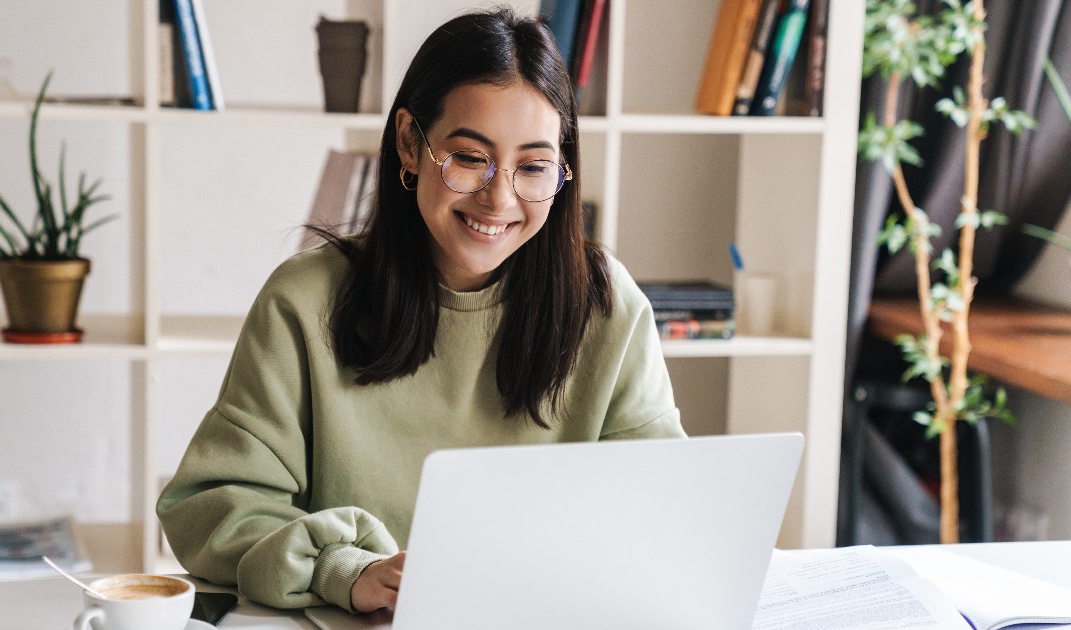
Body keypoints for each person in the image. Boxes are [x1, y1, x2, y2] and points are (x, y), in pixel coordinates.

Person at [156, 7, 685, 615]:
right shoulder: (304, 302)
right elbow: (212, 504)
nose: (500, 197)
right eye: (469, 156)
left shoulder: (607, 308)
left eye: (533, 167)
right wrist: (342, 568)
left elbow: (661, 507)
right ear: (410, 143)